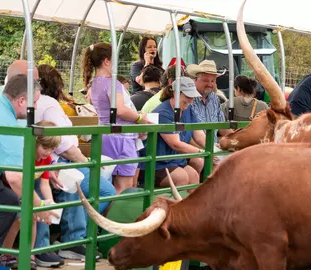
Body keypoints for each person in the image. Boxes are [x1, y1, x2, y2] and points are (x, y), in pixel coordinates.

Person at [0, 75, 56, 270]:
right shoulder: (6, 123)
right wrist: (40, 205)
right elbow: (16, 177)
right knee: (7, 200)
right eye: (34, 102)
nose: (35, 108)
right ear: (21, 101)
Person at [35, 65, 115, 264]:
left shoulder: (46, 104)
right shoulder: (50, 105)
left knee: (79, 185)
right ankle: (73, 239)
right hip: (61, 160)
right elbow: (61, 143)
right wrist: (87, 163)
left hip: (56, 159)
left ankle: (74, 237)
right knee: (99, 189)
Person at [82, 42, 150, 194]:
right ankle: (116, 216)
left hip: (106, 136)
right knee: (123, 187)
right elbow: (119, 109)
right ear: (106, 61)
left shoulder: (94, 84)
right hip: (121, 138)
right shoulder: (112, 83)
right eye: (114, 60)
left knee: (108, 184)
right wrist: (139, 118)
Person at [0, 120, 61, 270]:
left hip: (26, 191)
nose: (48, 152)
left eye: (52, 149)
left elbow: (44, 183)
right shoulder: (24, 155)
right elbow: (14, 180)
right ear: (35, 142)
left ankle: (29, 253)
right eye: (45, 147)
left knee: (33, 218)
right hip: (9, 190)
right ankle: (5, 253)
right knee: (19, 218)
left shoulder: (46, 159)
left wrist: (50, 203)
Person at [139, 77, 205, 189]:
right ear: (175, 93)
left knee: (193, 175)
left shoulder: (188, 109)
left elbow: (199, 135)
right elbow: (175, 144)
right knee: (181, 177)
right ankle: (174, 205)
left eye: (192, 97)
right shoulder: (163, 112)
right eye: (188, 96)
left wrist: (213, 149)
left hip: (175, 160)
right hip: (156, 163)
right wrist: (202, 151)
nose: (191, 100)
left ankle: (191, 205)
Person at [187, 60, 232, 141]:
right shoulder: (187, 99)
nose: (210, 84)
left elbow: (222, 127)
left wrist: (238, 139)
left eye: (213, 81)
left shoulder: (215, 98)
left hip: (212, 150)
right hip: (195, 151)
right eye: (205, 80)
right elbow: (186, 136)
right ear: (195, 80)